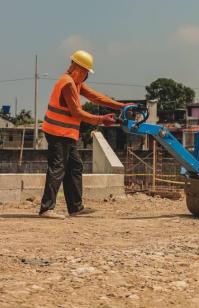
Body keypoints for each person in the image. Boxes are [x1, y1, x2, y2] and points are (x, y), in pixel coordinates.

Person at [38, 50, 132, 219]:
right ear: (77, 68)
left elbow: (96, 97)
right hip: (58, 133)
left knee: (75, 166)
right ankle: (46, 208)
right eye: (86, 71)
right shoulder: (67, 83)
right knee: (58, 167)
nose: (87, 75)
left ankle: (75, 208)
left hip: (66, 134)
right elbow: (77, 113)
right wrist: (101, 119)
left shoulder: (75, 82)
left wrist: (120, 106)